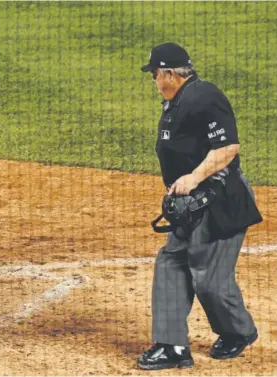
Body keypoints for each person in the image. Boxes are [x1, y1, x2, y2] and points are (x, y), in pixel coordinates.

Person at [136, 43, 262, 370]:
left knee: (209, 279)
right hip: (190, 205)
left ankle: (238, 330)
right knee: (172, 264)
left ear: (168, 74)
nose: (154, 81)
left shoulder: (205, 96)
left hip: (221, 201)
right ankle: (172, 345)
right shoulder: (175, 103)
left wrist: (193, 177)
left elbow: (228, 147)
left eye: (155, 74)